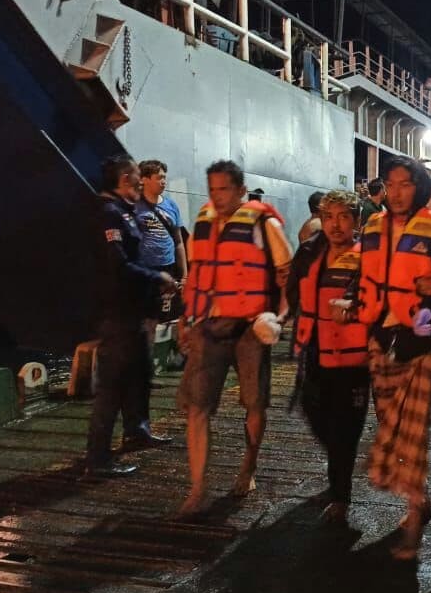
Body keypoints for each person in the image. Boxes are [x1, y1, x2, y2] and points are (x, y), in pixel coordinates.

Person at [331, 156, 431, 560]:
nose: (398, 191)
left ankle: (413, 520)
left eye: (406, 184)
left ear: (418, 187)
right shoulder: (371, 226)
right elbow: (361, 274)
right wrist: (350, 298)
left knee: (413, 431)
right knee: (390, 424)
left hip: (417, 342)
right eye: (391, 184)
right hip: (379, 338)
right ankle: (420, 497)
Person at [177, 160, 292, 515]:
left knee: (254, 404)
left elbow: (288, 279)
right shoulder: (203, 222)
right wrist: (185, 320)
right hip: (210, 326)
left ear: (241, 190)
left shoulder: (263, 223)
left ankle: (249, 466)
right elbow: (197, 275)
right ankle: (197, 488)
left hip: (250, 329)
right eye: (212, 189)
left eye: (224, 189)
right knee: (197, 408)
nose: (217, 196)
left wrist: (278, 318)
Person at [90, 155, 178, 477]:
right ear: (126, 178)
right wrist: (158, 278)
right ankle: (98, 459)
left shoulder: (124, 211)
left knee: (139, 373)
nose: (142, 180)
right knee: (111, 386)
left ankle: (136, 429)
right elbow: (118, 265)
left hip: (135, 311)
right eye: (138, 175)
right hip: (118, 314)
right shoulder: (109, 215)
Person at [286, 190, 370, 525]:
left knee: (347, 426)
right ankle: (338, 466)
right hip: (316, 348)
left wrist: (354, 306)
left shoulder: (369, 256)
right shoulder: (309, 251)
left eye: (344, 217)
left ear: (356, 221)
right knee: (313, 409)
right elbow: (293, 291)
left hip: (355, 358)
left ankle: (340, 495)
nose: (335, 225)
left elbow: (378, 297)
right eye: (329, 216)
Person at [137, 159, 187, 325]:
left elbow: (179, 242)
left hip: (168, 268)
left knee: (166, 316)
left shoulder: (171, 206)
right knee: (145, 317)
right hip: (145, 270)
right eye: (159, 177)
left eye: (164, 177)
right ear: (144, 179)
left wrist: (185, 275)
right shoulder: (134, 206)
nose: (164, 181)